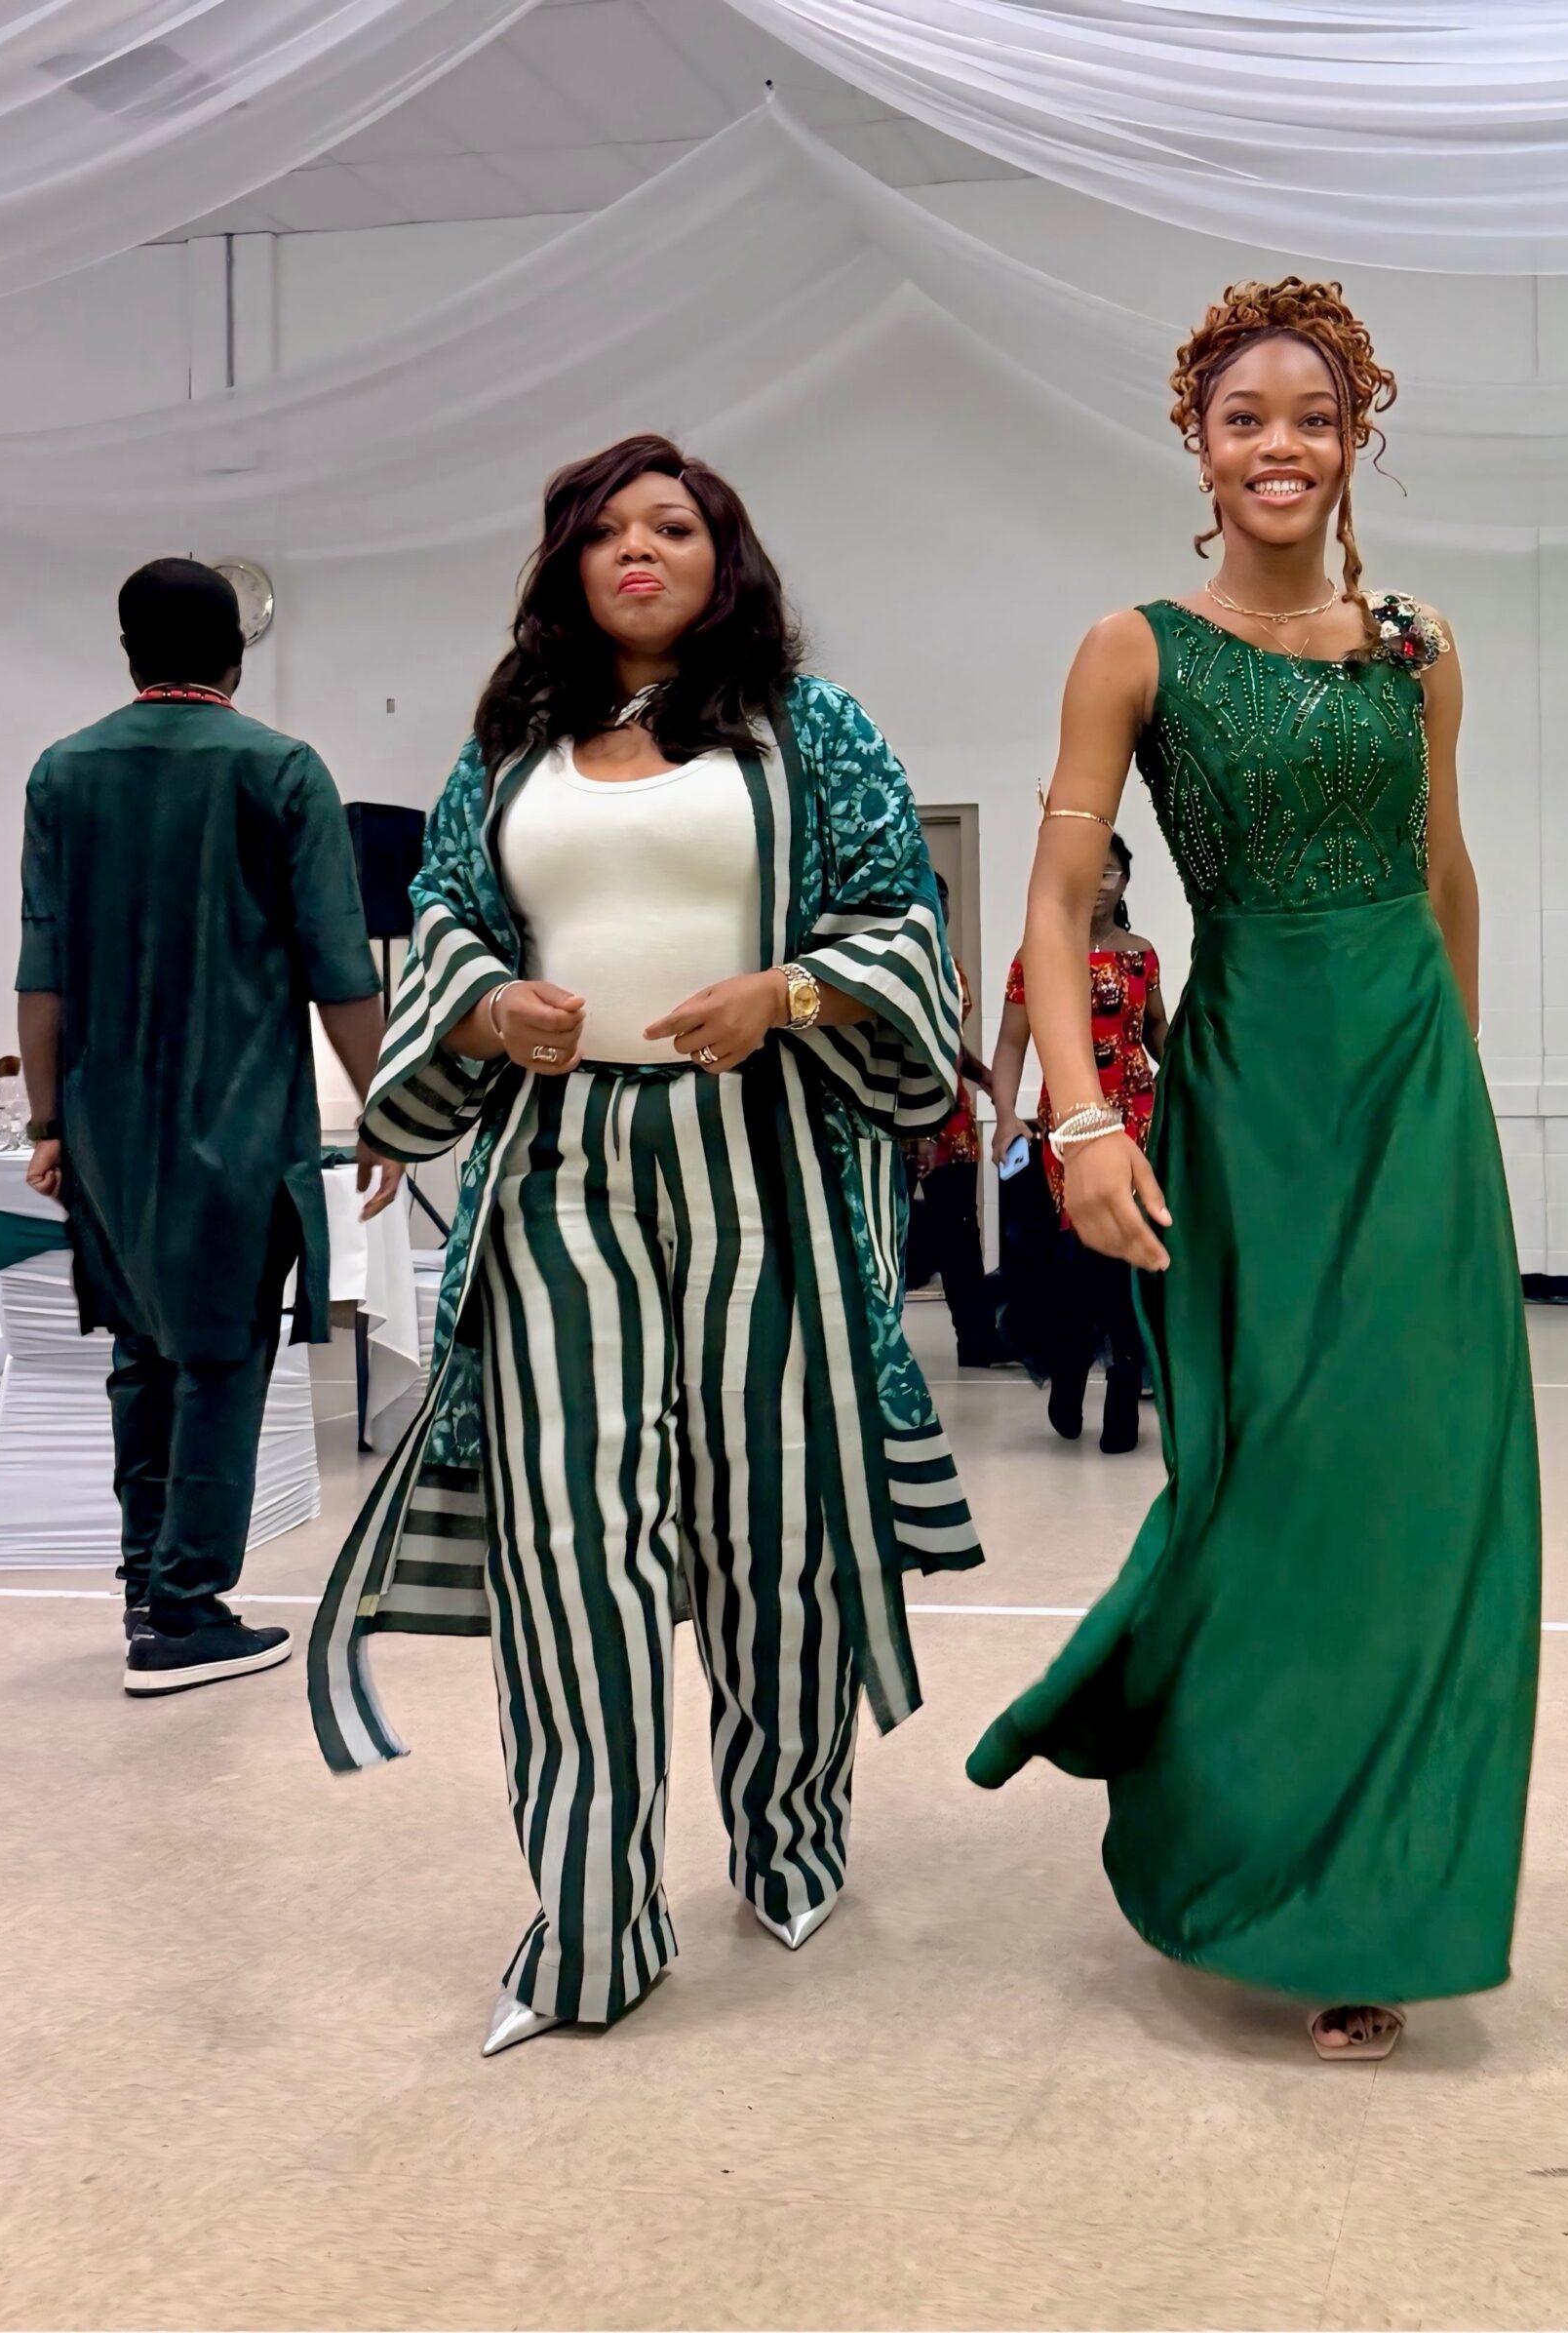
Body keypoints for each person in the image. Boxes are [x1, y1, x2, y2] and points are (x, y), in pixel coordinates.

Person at [305, 435, 981, 2058]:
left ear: (721, 554)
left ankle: (790, 1835)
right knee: (570, 1541)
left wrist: (790, 992)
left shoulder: (812, 727)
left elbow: (903, 918)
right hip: (564, 1171)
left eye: (672, 525)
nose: (638, 549)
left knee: (775, 1523)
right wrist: (484, 1008)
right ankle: (594, 1925)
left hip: (767, 1163)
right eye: (604, 529)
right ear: (566, 565)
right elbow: (450, 919)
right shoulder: (510, 745)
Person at [967, 280, 1542, 2062]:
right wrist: (1079, 1121)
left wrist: (1455, 1091)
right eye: (1246, 418)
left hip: (1414, 1099)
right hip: (1249, 1099)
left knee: (1427, 1496)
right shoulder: (1134, 648)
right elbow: (1059, 901)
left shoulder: (1419, 646)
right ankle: (1232, 1835)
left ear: (1355, 440)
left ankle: (1378, 1907)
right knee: (1266, 1479)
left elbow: (1446, 875)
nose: (1280, 444)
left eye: (1314, 415)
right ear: (1200, 447)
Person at [15, 560, 396, 1694]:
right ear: (236, 653)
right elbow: (339, 969)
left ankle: (146, 1585)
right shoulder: (281, 769)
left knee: (142, 1354)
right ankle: (183, 1614)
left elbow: (42, 969)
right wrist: (387, 1109)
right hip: (238, 1120)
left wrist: (46, 1122)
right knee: (222, 1357)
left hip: (105, 1125)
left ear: (127, 651)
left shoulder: (62, 772)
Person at [988, 832, 1167, 1451]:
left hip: (1138, 1121)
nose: (1097, 882)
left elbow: (1158, 1034)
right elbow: (1011, 1043)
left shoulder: (1142, 957)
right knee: (1079, 1257)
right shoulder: (1037, 956)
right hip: (1069, 1126)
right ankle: (1069, 1368)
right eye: (1087, 869)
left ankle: (1123, 1386)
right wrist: (1004, 1115)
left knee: (1127, 1258)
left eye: (1109, 871)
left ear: (1125, 880)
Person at [908, 873, 1013, 1369]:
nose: (940, 905)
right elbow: (910, 1049)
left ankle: (975, 1340)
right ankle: (875, 1346)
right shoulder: (901, 964)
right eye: (930, 896)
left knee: (961, 1236)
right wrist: (921, 1133)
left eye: (945, 896)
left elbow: (947, 1045)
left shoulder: (949, 965)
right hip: (906, 1123)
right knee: (890, 1234)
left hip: (954, 1123)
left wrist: (986, 1076)